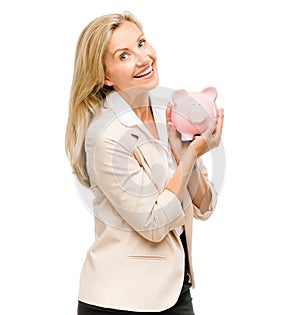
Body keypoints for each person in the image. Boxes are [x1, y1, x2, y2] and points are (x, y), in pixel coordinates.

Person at [65, 11, 224, 315]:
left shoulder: (169, 111)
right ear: (105, 76)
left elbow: (205, 205)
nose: (142, 58)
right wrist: (190, 156)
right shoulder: (106, 136)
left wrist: (183, 152)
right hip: (119, 302)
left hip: (175, 290)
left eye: (141, 43)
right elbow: (153, 224)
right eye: (124, 55)